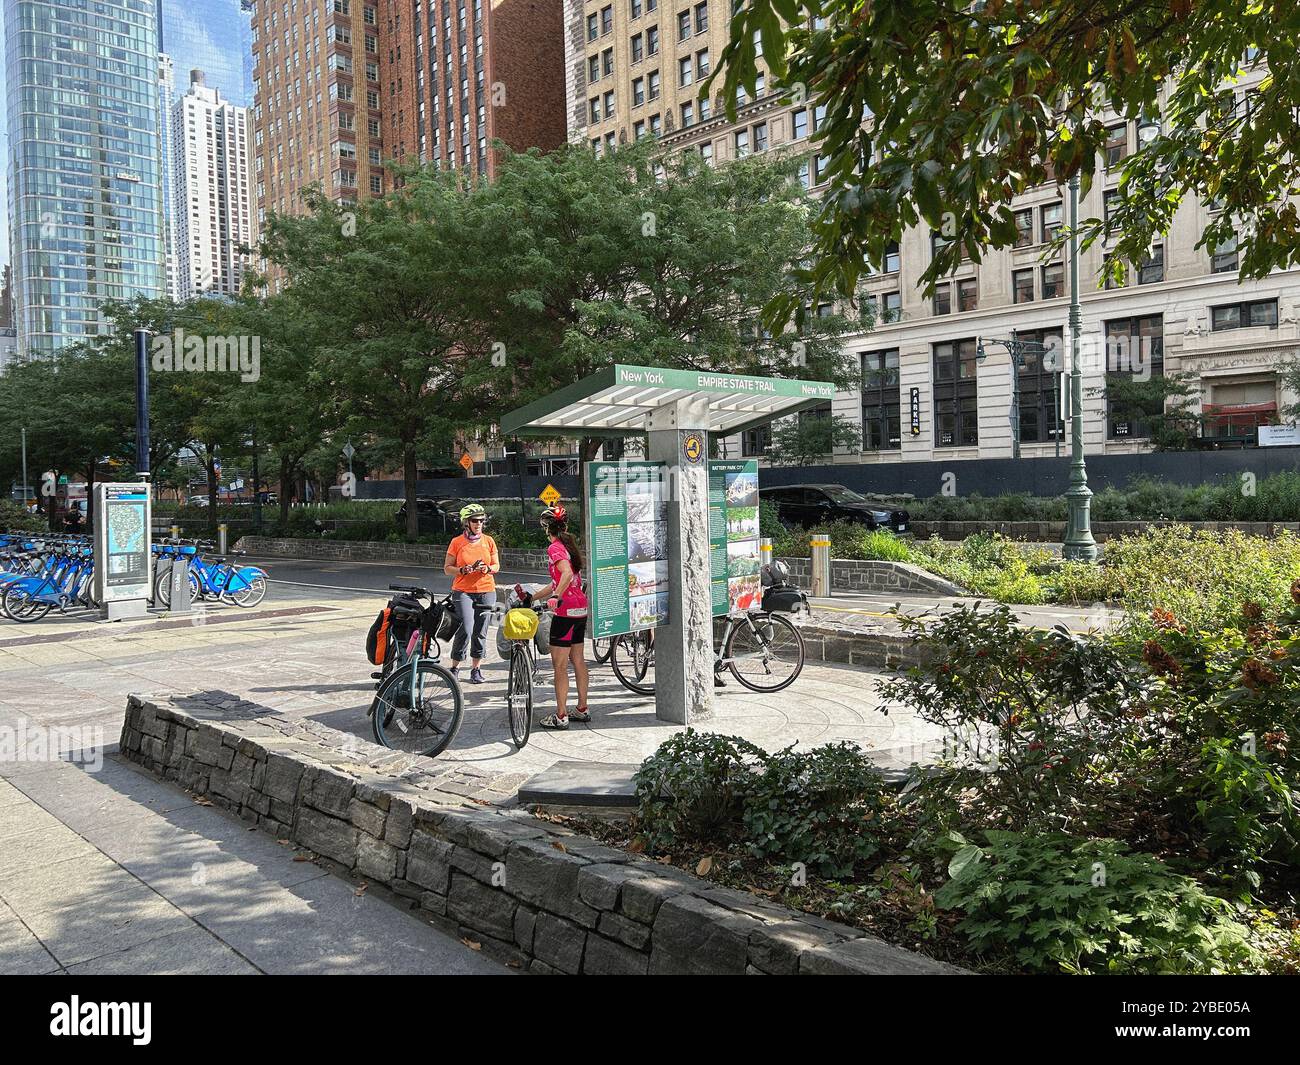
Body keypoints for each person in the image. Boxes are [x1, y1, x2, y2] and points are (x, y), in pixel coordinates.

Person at [523, 505, 590, 730]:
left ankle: (561, 715)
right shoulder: (569, 546)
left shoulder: (555, 547)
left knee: (559, 666)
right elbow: (558, 581)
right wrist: (533, 597)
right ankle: (582, 708)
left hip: (565, 611)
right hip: (580, 608)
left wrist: (554, 597)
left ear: (546, 528)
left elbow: (566, 575)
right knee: (578, 660)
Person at [443, 503, 500, 683]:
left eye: (482, 520)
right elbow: (447, 568)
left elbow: (497, 566)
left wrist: (487, 568)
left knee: (480, 631)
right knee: (465, 629)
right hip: (463, 591)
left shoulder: (489, 541)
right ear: (466, 522)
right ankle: (454, 668)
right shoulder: (456, 542)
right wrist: (461, 570)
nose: (479, 523)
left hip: (486, 590)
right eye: (475, 520)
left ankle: (476, 670)